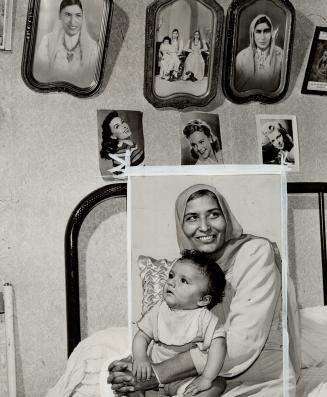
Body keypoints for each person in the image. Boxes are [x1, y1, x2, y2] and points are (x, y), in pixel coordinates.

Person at [109, 184, 296, 396]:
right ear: (181, 225)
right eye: (192, 218)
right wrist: (139, 364)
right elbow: (176, 332)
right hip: (196, 381)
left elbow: (240, 343)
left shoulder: (255, 252)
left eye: (214, 214)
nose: (205, 227)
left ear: (226, 216)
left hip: (258, 385)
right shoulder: (192, 270)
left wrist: (156, 373)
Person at [133, 250, 227, 397]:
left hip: (184, 380)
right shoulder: (159, 310)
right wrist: (140, 358)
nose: (171, 282)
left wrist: (206, 378)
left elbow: (219, 344)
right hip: (151, 376)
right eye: (171, 275)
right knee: (128, 380)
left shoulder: (203, 318)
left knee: (218, 383)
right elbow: (141, 337)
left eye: (184, 281)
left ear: (203, 300)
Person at [34, 0, 98, 87]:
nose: (72, 22)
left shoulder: (93, 48)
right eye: (68, 15)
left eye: (78, 15)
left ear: (83, 17)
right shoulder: (47, 41)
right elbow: (42, 76)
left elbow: (90, 81)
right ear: (60, 15)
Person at [235, 14, 283, 92]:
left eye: (266, 31)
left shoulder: (280, 55)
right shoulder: (242, 56)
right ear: (252, 34)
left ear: (271, 33)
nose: (262, 37)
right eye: (258, 32)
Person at [100, 111, 144, 178]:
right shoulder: (121, 151)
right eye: (117, 126)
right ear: (113, 136)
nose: (124, 126)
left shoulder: (129, 145)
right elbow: (121, 177)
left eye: (123, 122)